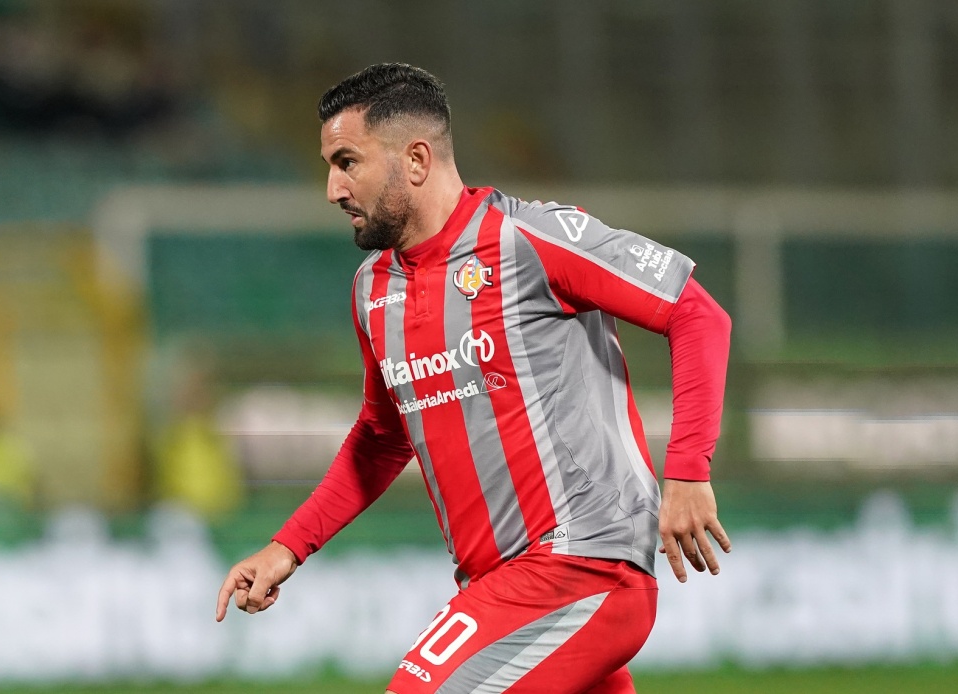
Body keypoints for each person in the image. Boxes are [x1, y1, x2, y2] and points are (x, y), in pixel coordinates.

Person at [215, 64, 732, 694]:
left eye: (347, 162)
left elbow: (696, 314)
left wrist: (688, 471)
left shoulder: (531, 239)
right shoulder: (373, 291)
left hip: (582, 563)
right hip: (499, 586)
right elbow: (381, 438)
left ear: (416, 159)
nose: (333, 188)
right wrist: (287, 547)